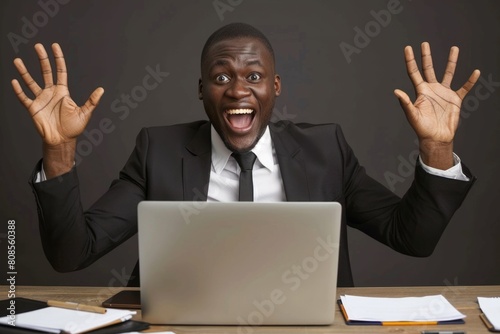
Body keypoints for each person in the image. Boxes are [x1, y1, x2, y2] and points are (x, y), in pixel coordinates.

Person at [11, 23, 480, 287]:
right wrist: (60, 149)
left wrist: (437, 148)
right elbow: (73, 253)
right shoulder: (158, 151)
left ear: (275, 87)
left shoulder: (325, 149)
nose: (238, 89)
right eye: (221, 78)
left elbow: (410, 238)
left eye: (254, 77)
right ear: (201, 90)